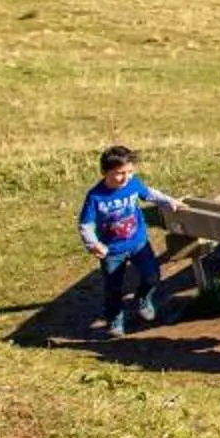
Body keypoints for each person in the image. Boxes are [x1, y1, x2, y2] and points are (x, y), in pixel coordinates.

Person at [79, 144, 167, 339]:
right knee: (113, 288)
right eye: (119, 173)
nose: (125, 177)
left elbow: (150, 194)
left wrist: (170, 202)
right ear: (104, 172)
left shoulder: (133, 184)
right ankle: (115, 319)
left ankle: (143, 298)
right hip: (112, 251)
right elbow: (85, 224)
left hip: (138, 243)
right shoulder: (95, 196)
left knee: (152, 276)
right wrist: (93, 244)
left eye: (129, 172)